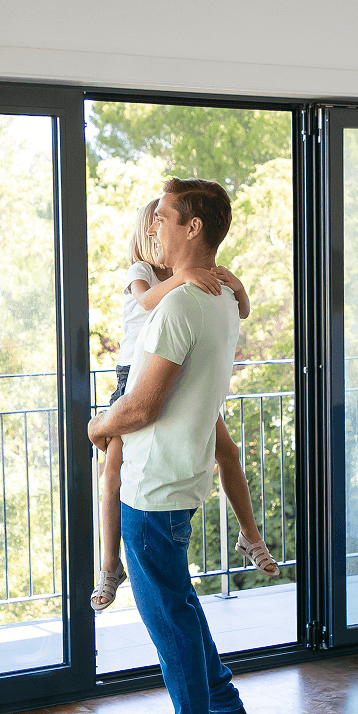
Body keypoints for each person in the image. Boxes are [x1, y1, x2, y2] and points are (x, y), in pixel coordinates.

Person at [87, 177, 245, 714]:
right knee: (177, 600)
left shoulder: (179, 303)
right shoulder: (221, 299)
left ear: (192, 228)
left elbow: (142, 405)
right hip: (182, 471)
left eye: (166, 217)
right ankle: (221, 702)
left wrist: (97, 426)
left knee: (166, 616)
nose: (156, 227)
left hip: (152, 482)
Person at [91, 201, 278, 612]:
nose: (159, 233)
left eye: (163, 224)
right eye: (153, 226)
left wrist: (238, 287)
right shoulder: (143, 273)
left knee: (227, 453)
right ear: (145, 235)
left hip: (181, 378)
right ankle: (109, 564)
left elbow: (240, 311)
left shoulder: (197, 280)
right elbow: (145, 303)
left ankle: (250, 535)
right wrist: (184, 277)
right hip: (133, 379)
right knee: (113, 467)